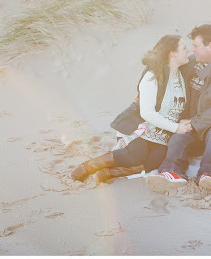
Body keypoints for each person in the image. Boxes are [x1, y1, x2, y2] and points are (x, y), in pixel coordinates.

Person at [70, 35, 193, 184]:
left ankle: (109, 173)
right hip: (139, 126)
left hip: (161, 134)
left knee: (155, 161)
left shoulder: (182, 74)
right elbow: (147, 113)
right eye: (184, 48)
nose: (189, 50)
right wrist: (176, 127)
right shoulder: (152, 76)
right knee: (136, 155)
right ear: (172, 53)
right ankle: (89, 166)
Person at [146, 23, 211, 193]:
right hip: (197, 128)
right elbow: (160, 66)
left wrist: (193, 123)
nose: (193, 50)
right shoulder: (191, 63)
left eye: (196, 46)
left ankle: (209, 175)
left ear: (210, 46)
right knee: (178, 138)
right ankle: (172, 173)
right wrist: (141, 91)